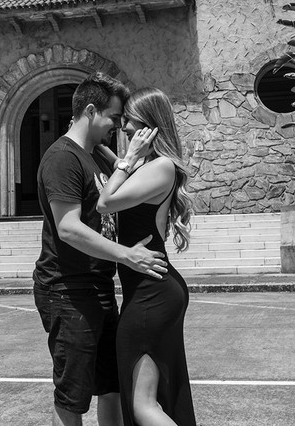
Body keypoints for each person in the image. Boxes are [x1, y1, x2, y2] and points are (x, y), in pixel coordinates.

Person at [33, 73, 169, 426]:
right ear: (91, 111)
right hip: (67, 290)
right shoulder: (63, 158)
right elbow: (68, 228)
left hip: (98, 287)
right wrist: (127, 255)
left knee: (111, 387)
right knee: (73, 396)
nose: (117, 126)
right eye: (114, 117)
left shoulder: (94, 156)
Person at [97, 87, 196, 426]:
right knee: (152, 397)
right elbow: (123, 179)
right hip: (149, 290)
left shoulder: (161, 167)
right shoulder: (152, 167)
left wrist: (125, 159)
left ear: (150, 126)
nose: (123, 128)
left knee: (143, 405)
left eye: (130, 121)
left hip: (151, 293)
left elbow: (106, 202)